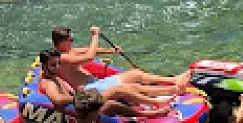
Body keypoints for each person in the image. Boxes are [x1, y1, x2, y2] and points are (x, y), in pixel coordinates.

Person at [51, 26, 190, 108]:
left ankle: (174, 80)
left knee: (135, 74)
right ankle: (174, 90)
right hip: (89, 91)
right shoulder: (63, 58)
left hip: (96, 84)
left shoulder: (68, 52)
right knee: (131, 87)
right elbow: (89, 56)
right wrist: (95, 36)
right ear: (62, 43)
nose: (73, 42)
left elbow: (87, 50)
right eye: (71, 40)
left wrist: (110, 51)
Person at [37, 48, 170, 118]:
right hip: (79, 108)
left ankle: (153, 102)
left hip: (81, 101)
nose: (58, 67)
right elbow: (58, 100)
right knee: (118, 91)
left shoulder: (49, 74)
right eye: (53, 65)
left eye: (59, 63)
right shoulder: (48, 82)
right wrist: (80, 98)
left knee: (119, 94)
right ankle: (154, 106)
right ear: (44, 66)